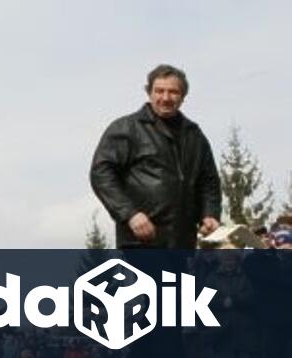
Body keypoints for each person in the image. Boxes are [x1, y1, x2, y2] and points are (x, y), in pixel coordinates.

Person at [89, 64, 222, 249]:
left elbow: (209, 182)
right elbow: (101, 173)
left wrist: (210, 214)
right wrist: (130, 214)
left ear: (183, 96)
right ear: (149, 92)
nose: (165, 98)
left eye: (173, 92)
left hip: (183, 243)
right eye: (159, 91)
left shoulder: (194, 135)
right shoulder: (127, 128)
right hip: (140, 243)